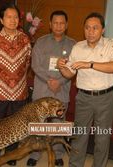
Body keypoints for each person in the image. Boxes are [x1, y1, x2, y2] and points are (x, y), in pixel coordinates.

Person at [58, 12, 113, 167]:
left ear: (103, 30)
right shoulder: (78, 47)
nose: (90, 31)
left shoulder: (112, 44)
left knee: (102, 138)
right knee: (79, 136)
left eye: (95, 28)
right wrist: (61, 68)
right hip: (83, 98)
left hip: (105, 98)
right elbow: (69, 73)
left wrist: (90, 64)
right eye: (87, 28)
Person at [0, 3, 31, 166]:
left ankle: (11, 156)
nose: (13, 20)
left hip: (19, 92)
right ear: (1, 20)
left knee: (15, 126)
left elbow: (27, 65)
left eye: (16, 17)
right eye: (8, 17)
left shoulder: (25, 39)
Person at [26, 10, 76, 167]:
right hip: (42, 90)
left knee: (58, 125)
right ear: (50, 24)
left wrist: (59, 81)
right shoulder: (41, 42)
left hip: (60, 92)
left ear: (66, 25)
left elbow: (74, 68)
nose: (59, 26)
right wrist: (49, 80)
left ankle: (58, 154)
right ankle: (34, 153)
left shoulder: (73, 45)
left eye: (62, 23)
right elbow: (35, 65)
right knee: (38, 125)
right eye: (56, 22)